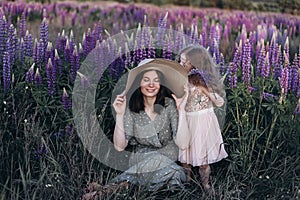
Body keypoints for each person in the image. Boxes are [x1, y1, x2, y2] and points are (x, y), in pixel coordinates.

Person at [82, 58, 190, 199]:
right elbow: (120, 146)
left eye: (156, 80)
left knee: (175, 173)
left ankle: (114, 187)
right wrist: (120, 115)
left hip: (167, 162)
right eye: (146, 79)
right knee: (173, 173)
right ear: (139, 82)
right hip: (140, 159)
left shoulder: (169, 105)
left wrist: (181, 110)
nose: (151, 84)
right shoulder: (132, 108)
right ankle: (117, 188)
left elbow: (183, 144)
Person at [177, 45, 228, 191]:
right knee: (185, 158)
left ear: (196, 65)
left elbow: (219, 102)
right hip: (187, 122)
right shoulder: (181, 81)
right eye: (180, 62)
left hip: (203, 123)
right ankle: (187, 181)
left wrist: (205, 90)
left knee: (203, 160)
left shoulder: (204, 83)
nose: (181, 65)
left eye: (184, 63)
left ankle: (205, 184)